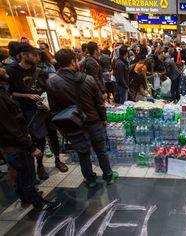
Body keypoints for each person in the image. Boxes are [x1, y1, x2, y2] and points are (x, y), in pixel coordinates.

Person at [46, 49, 118, 187]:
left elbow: (54, 109)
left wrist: (62, 128)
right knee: (101, 150)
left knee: (83, 154)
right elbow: (99, 103)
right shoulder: (88, 79)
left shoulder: (52, 82)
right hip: (94, 121)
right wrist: (104, 119)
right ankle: (108, 176)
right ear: (73, 62)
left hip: (72, 124)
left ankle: (90, 180)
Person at [0, 67, 61, 211]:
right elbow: (10, 127)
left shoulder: (4, 90)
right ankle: (38, 202)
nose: (3, 69)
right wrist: (31, 147)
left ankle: (25, 196)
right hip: (14, 144)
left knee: (22, 173)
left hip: (12, 143)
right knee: (27, 173)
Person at [6, 44, 53, 180]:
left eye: (37, 55)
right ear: (23, 54)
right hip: (24, 112)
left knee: (41, 138)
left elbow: (46, 87)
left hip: (42, 109)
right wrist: (27, 96)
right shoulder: (12, 71)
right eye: (33, 55)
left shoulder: (39, 70)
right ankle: (30, 170)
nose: (37, 58)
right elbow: (9, 94)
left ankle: (40, 166)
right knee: (28, 141)